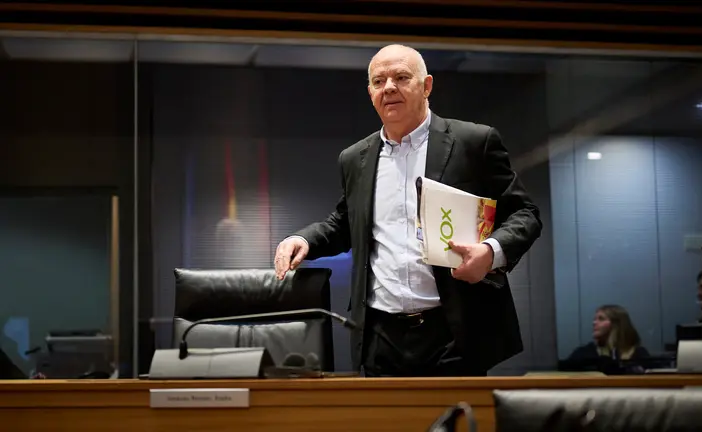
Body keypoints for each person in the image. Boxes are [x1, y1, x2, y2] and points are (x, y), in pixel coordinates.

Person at [273, 44, 542, 377]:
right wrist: (304, 240)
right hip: (380, 336)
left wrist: (490, 253)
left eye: (401, 77)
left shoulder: (473, 142)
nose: (388, 88)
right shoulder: (354, 158)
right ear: (370, 93)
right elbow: (345, 223)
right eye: (378, 81)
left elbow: (525, 213)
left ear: (426, 86)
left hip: (454, 331)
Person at [567, 304, 650, 363]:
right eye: (595, 319)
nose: (594, 323)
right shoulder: (583, 354)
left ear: (616, 324)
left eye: (601, 319)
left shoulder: (639, 354)